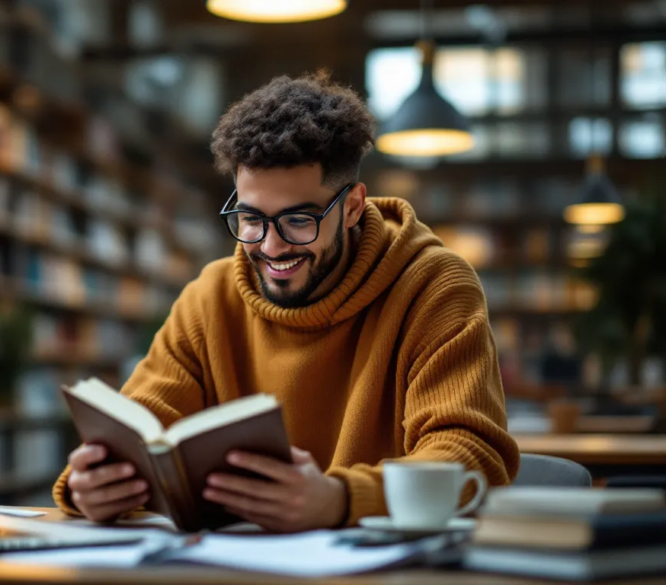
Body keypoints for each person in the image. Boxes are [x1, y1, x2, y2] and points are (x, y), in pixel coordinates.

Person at [51, 69, 520, 532]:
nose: (271, 248)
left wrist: (339, 500)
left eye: (299, 221)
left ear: (353, 205)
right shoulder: (209, 298)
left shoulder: (433, 287)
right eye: (251, 219)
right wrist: (90, 485)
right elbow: (143, 430)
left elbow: (472, 454)